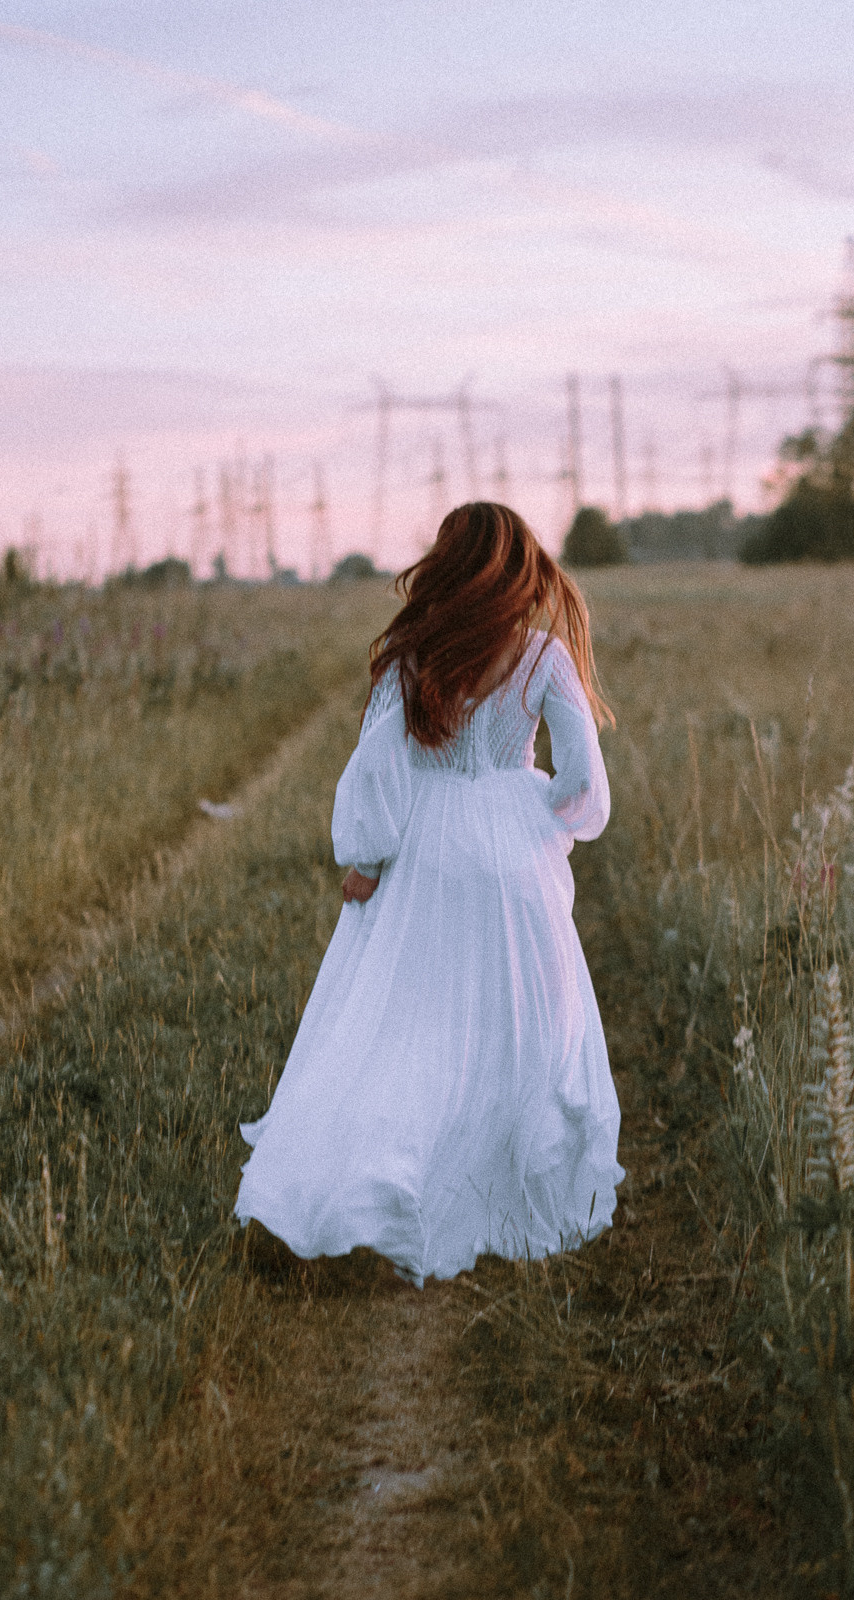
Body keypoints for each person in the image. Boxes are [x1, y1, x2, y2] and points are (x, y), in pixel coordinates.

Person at [235, 502, 624, 1287]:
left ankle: (385, 1181)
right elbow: (584, 782)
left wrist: (367, 861)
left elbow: (379, 768)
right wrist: (545, 820)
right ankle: (503, 1181)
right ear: (519, 571)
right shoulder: (544, 656)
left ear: (446, 566)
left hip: (427, 846)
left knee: (408, 1020)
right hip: (512, 847)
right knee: (522, 1019)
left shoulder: (413, 658)